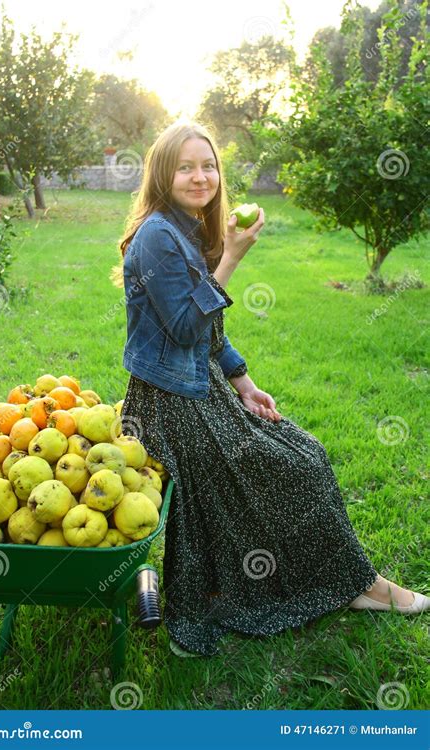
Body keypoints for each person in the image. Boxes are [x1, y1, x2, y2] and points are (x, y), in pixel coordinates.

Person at [112, 120, 429, 657]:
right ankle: (358, 587)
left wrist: (244, 382)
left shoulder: (182, 227)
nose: (200, 176)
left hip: (200, 387)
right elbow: (186, 327)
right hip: (169, 405)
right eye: (185, 167)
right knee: (295, 466)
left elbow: (207, 333)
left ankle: (350, 583)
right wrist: (232, 257)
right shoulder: (159, 237)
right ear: (162, 176)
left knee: (301, 452)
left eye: (208, 165)